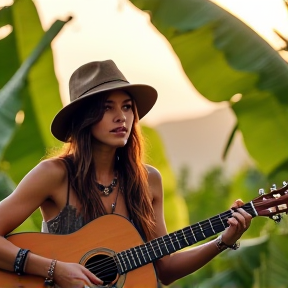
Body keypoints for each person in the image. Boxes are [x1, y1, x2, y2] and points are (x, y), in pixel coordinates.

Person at [0, 60, 252, 288]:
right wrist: (55, 270)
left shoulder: (148, 181)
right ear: (84, 117)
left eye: (127, 107)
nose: (121, 117)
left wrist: (223, 241)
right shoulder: (54, 174)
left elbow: (165, 269)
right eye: (107, 107)